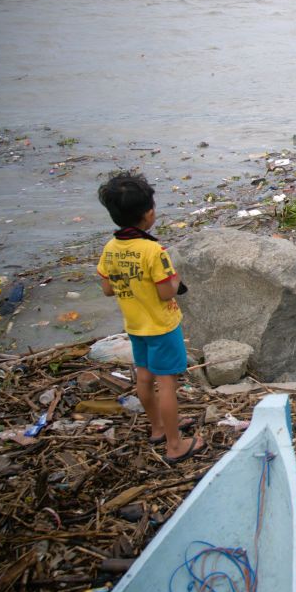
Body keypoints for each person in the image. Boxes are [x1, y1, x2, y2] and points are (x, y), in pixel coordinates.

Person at [96, 171, 203, 463]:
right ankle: (174, 445)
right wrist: (175, 277)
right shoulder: (154, 251)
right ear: (149, 213)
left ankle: (157, 428)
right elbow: (167, 292)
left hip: (135, 325)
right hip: (162, 326)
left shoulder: (111, 248)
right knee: (167, 383)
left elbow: (107, 288)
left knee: (144, 376)